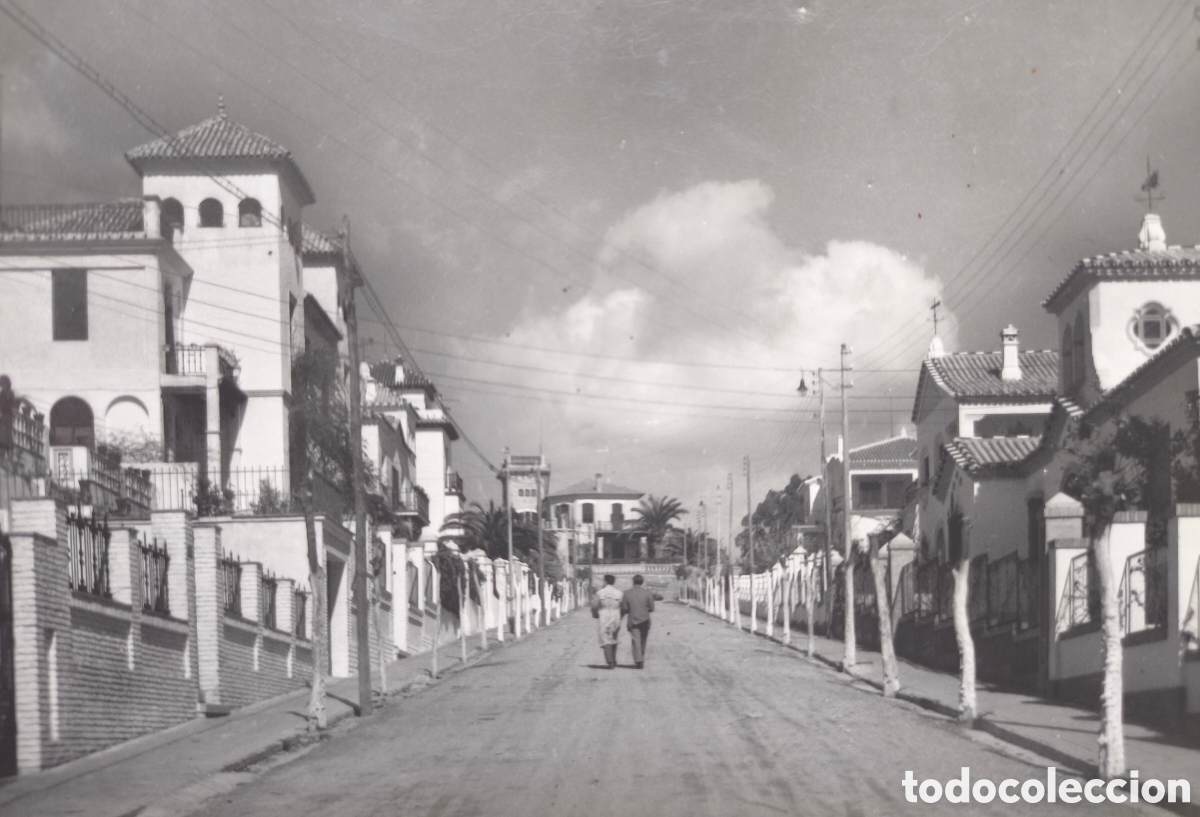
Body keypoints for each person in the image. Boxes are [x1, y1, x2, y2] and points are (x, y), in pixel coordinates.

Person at [620, 574, 655, 669]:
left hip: (633, 619)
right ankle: (641, 658)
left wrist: (632, 610)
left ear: (633, 582)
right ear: (642, 582)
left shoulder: (627, 593)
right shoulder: (648, 593)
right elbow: (651, 608)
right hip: (645, 620)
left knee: (636, 640)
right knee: (643, 640)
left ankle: (639, 660)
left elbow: (624, 608)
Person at [590, 574, 622, 669]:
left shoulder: (599, 593)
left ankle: (610, 661)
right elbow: (622, 606)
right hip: (615, 614)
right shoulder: (619, 593)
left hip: (604, 615)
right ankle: (614, 659)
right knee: (614, 637)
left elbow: (595, 606)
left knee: (605, 638)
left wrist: (595, 615)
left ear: (606, 581)